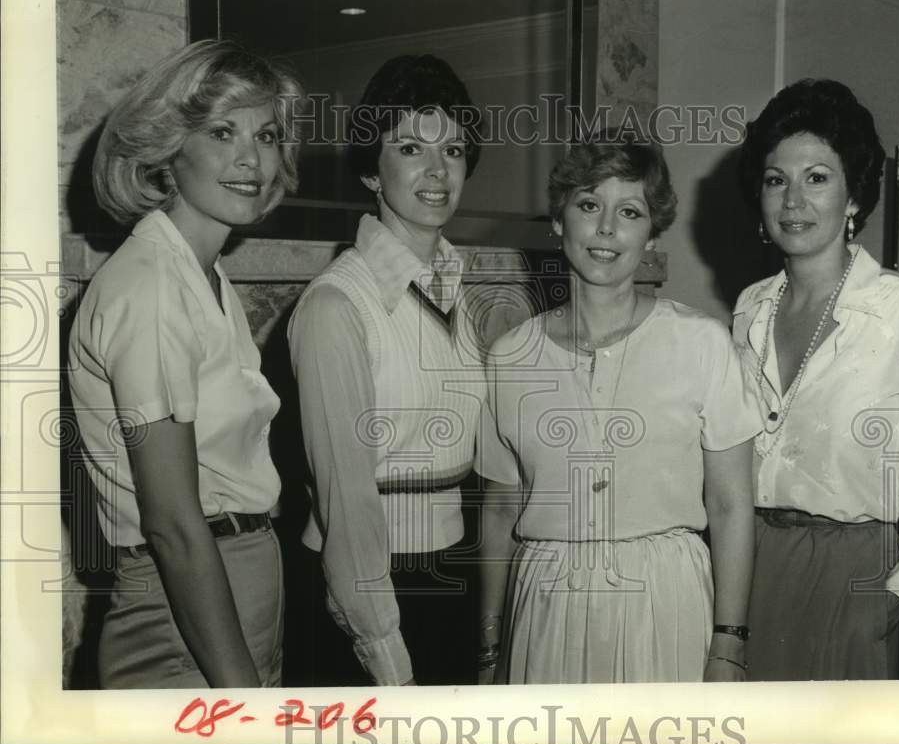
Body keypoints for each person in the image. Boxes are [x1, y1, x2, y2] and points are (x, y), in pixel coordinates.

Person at [476, 136, 760, 684]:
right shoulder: (510, 355)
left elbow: (730, 504)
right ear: (559, 221)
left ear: (652, 233)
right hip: (547, 603)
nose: (606, 228)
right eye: (588, 205)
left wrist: (729, 643)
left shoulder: (700, 342)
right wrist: (489, 647)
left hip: (667, 597)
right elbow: (498, 510)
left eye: (629, 212)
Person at [67, 40, 303, 688]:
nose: (251, 160)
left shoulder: (199, 272)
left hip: (232, 580)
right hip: (182, 604)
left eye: (267, 135)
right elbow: (172, 523)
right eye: (222, 132)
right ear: (169, 151)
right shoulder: (149, 286)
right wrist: (241, 698)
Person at [732, 78, 899, 680]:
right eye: (777, 179)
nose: (793, 200)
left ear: (854, 197)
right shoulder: (749, 308)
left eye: (817, 178)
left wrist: (897, 593)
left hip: (855, 576)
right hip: (747, 564)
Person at [287, 54, 485, 686]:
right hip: (367, 589)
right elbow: (346, 504)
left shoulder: (457, 289)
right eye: (409, 148)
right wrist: (382, 648)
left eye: (453, 150)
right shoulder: (336, 304)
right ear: (372, 172)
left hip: (450, 567)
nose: (437, 170)